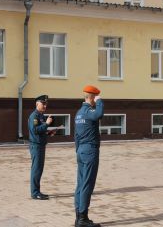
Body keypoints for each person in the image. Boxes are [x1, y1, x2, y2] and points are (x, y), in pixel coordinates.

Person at [74, 85, 104, 227]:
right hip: (90, 151)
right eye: (95, 97)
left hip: (81, 150)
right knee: (87, 184)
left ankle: (78, 217)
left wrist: (78, 151)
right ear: (91, 97)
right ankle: (82, 219)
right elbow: (99, 114)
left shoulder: (79, 113)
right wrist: (100, 102)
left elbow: (76, 136)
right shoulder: (89, 112)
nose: (96, 100)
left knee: (80, 184)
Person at [28, 94, 55, 200]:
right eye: (43, 103)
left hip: (41, 145)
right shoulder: (34, 116)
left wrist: (49, 132)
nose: (45, 106)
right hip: (36, 146)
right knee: (36, 169)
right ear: (37, 104)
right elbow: (35, 130)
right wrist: (47, 124)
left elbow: (41, 130)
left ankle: (37, 191)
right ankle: (35, 193)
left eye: (46, 104)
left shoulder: (41, 116)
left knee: (39, 169)